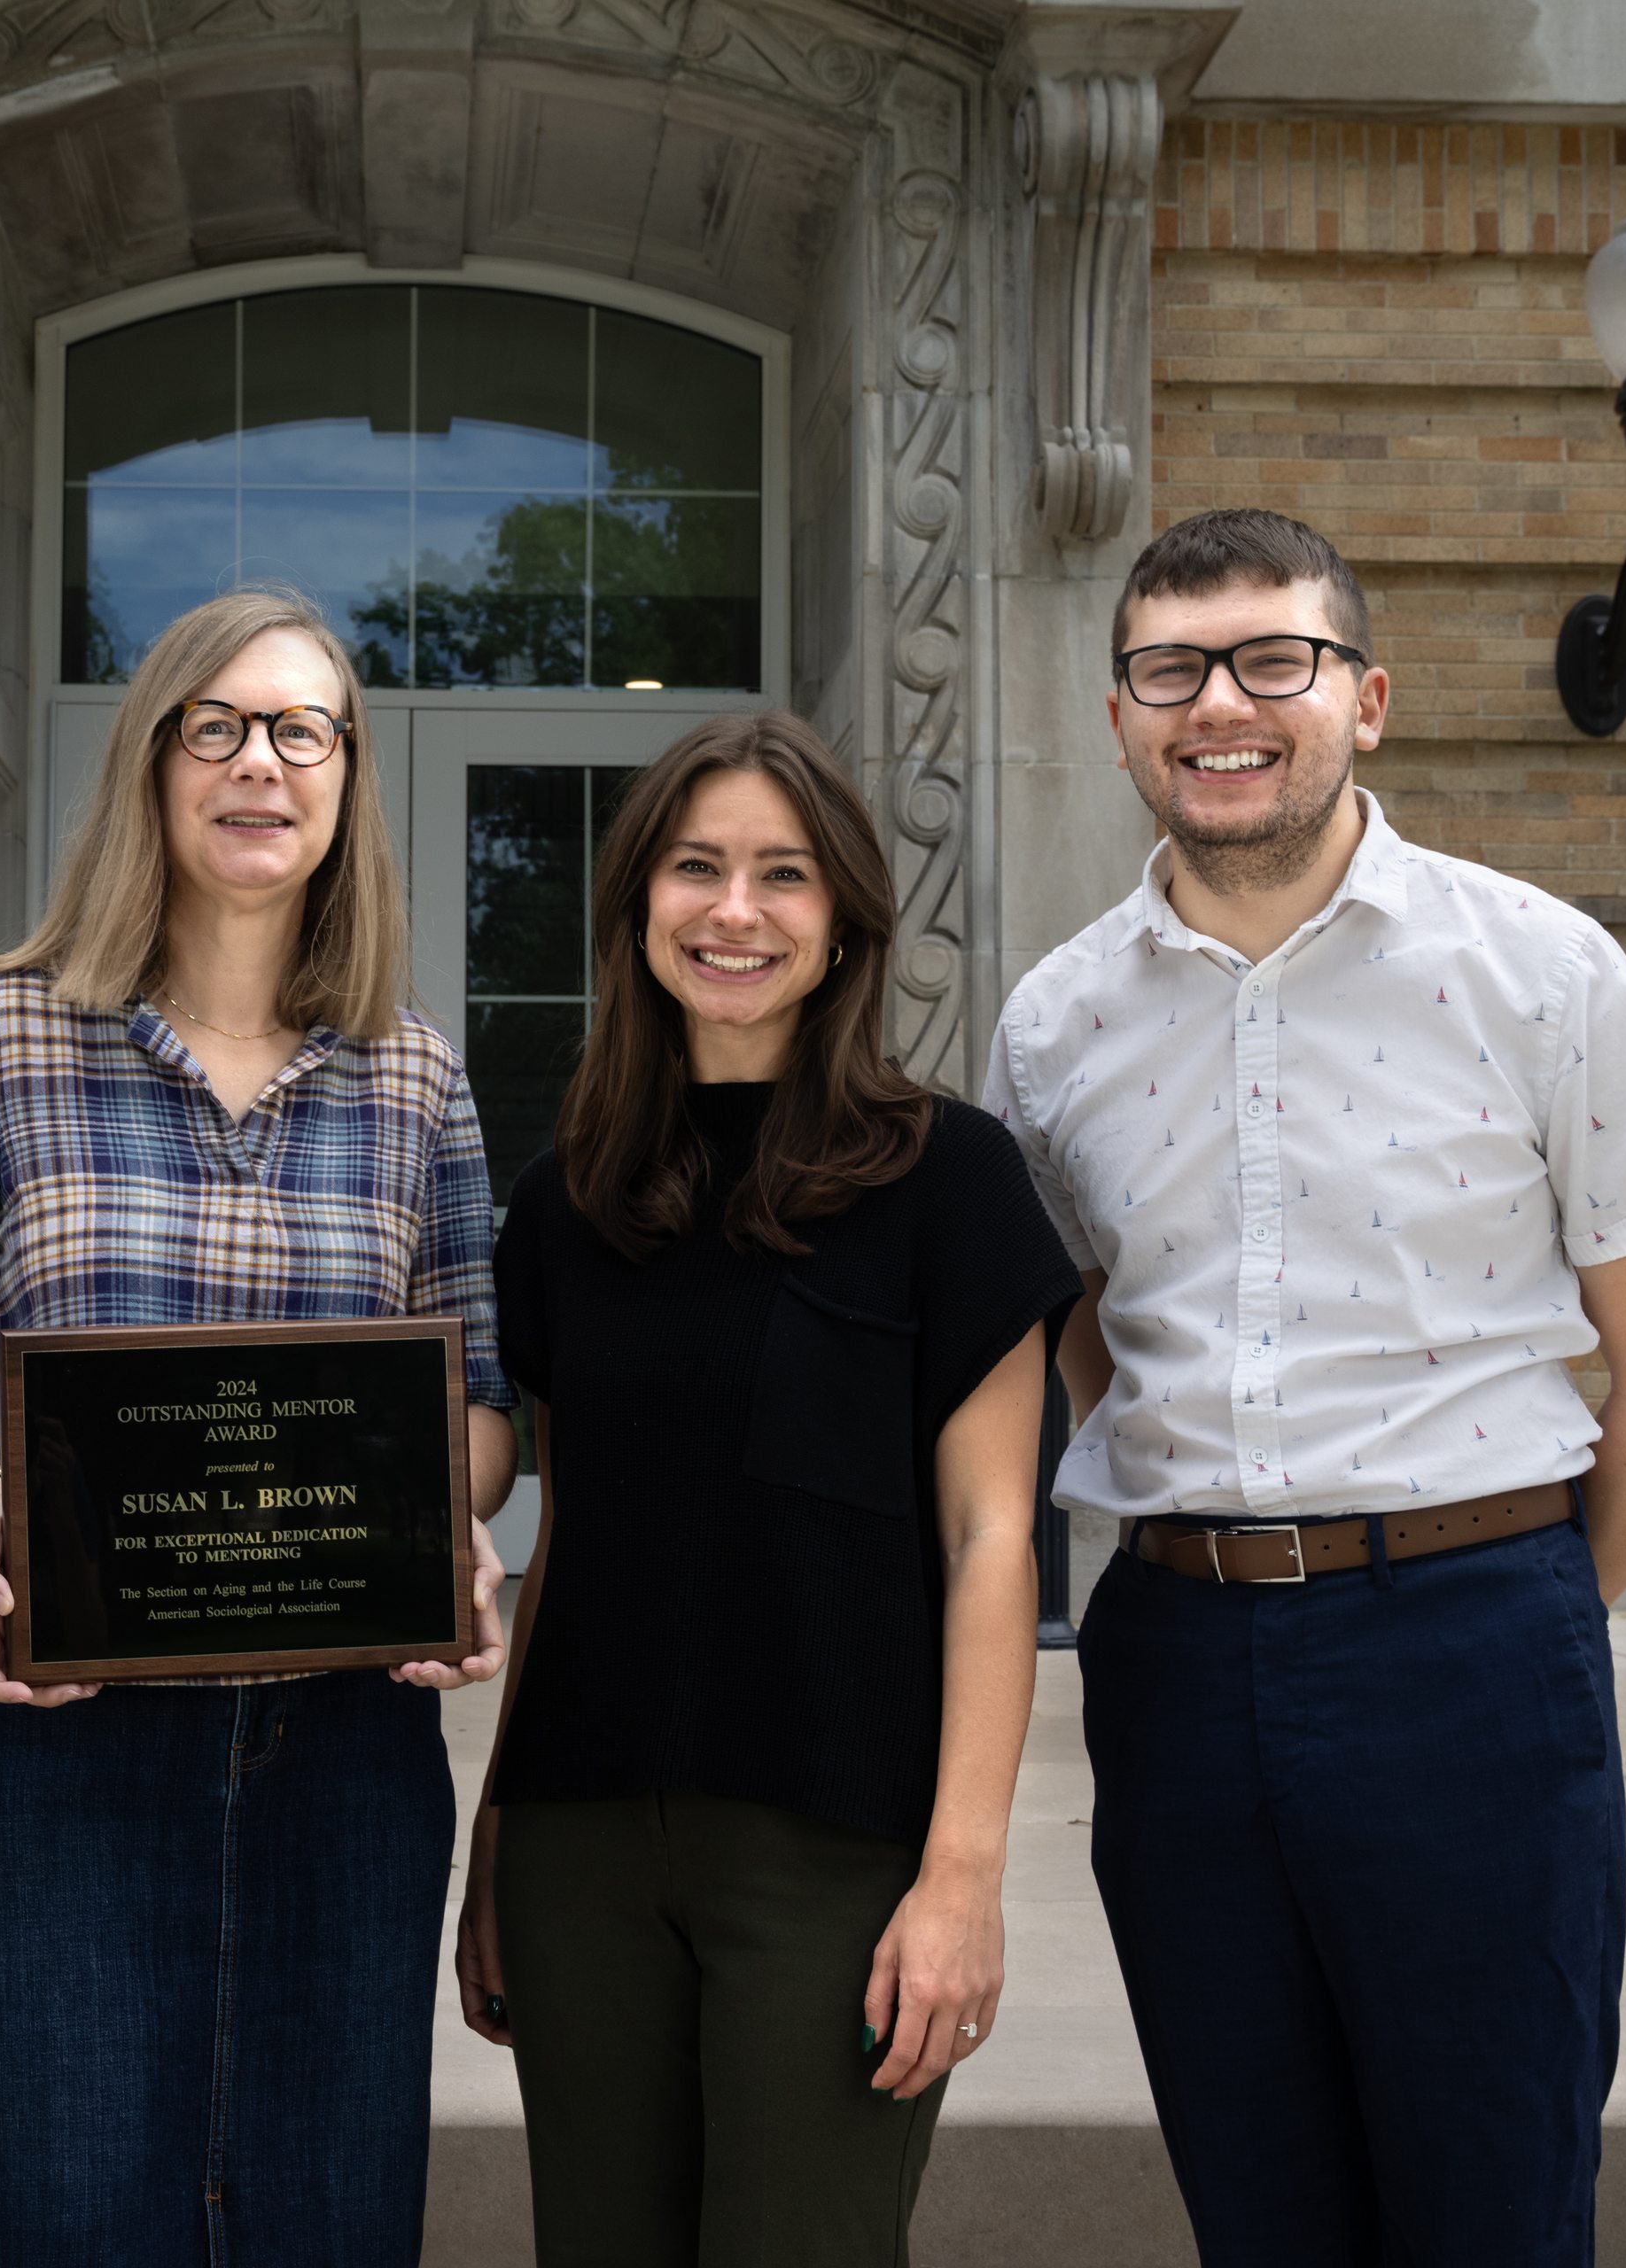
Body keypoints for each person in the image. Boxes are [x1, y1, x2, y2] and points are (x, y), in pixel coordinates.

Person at [983, 507, 1626, 2266]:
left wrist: (1502, 1603)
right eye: (1170, 667)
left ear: (1367, 698)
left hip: (1472, 1648)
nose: (1220, 704)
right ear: (1120, 718)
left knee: (1492, 2206)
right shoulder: (1054, 1027)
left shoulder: (1541, 975)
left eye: (1275, 660)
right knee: (1263, 2209)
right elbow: (1095, 1335)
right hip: (1173, 1663)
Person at [0, 587, 518, 2268]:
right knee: (58, 2214)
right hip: (47, 1736)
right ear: (152, 766)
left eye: (302, 729)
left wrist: (443, 1531)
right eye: (215, 726)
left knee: (326, 2220)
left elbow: (481, 1407)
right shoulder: (3, 1035)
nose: (258, 763)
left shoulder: (413, 1077)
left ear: (348, 777)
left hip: (337, 1756)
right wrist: (0, 1498)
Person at [454, 711, 1082, 2265]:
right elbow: (569, 1539)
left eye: (784, 876)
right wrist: (492, 1857)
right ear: (638, 906)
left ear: (846, 920)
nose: (736, 911)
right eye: (698, 868)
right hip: (582, 1847)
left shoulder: (951, 1178)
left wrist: (962, 1877)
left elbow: (996, 1536)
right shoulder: (564, 1202)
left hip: (837, 1852)